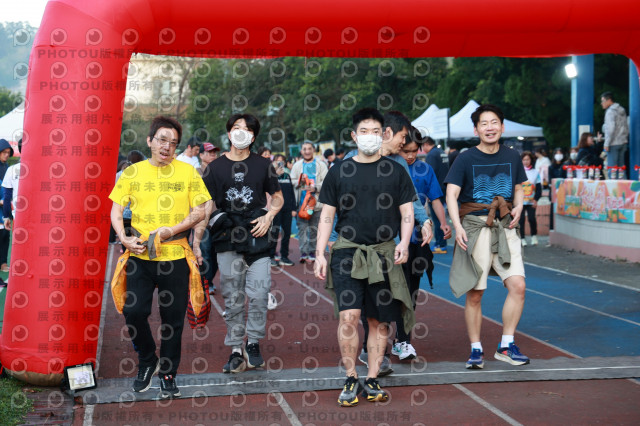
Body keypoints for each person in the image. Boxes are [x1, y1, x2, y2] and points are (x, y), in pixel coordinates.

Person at [314, 107, 416, 406]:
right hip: (347, 252)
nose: (370, 137)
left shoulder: (396, 171)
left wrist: (404, 242)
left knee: (379, 321)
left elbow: (407, 212)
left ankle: (371, 378)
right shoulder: (339, 171)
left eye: (375, 132)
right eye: (364, 131)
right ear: (354, 135)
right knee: (349, 317)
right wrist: (320, 253)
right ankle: (350, 376)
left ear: (384, 134)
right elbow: (327, 215)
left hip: (383, 254)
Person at [109, 116, 212, 398]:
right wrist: (123, 237)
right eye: (162, 140)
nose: (167, 147)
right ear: (150, 141)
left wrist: (172, 231)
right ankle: (147, 359)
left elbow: (200, 210)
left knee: (172, 320)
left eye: (173, 143)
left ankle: (168, 372)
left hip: (174, 257)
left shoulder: (187, 173)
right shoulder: (133, 173)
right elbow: (116, 210)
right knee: (133, 311)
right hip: (140, 255)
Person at [344, 110, 434, 376]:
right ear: (387, 133)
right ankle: (369, 351)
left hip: (388, 244)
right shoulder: (350, 161)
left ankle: (379, 354)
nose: (404, 144)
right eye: (403, 137)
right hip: (355, 245)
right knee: (360, 303)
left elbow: (411, 198)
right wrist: (332, 242)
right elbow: (336, 205)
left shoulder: (399, 164)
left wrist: (424, 220)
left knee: (383, 300)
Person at [445, 104, 530, 370]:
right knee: (476, 293)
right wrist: (457, 226)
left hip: (505, 226)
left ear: (502, 127)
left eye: (494, 123)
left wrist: (519, 206)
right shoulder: (465, 158)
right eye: (484, 123)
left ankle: (506, 345)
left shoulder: (512, 155)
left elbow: (518, 188)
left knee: (518, 286)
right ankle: (476, 349)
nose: (489, 127)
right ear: (476, 129)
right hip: (475, 226)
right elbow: (451, 194)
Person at [201, 113, 283, 374]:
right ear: (228, 133)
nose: (240, 132)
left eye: (246, 129)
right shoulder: (214, 168)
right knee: (233, 296)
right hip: (227, 237)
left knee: (259, 292)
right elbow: (205, 203)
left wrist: (269, 216)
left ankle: (253, 342)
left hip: (258, 234)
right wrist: (201, 233)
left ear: (253, 136)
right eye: (236, 127)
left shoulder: (263, 164)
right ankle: (236, 349)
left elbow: (278, 197)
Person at [396, 130, 451, 359]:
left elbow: (435, 199)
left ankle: (403, 340)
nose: (410, 156)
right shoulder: (389, 167)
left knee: (411, 290)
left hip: (418, 239)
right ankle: (378, 340)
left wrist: (443, 223)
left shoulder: (425, 169)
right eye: (405, 151)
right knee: (392, 291)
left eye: (414, 151)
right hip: (392, 238)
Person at [290, 142, 328, 263]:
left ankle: (312, 251)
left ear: (313, 150)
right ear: (301, 151)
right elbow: (292, 180)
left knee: (314, 230)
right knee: (302, 229)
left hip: (316, 204)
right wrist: (299, 182)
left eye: (309, 149)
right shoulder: (297, 165)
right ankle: (303, 252)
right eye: (304, 149)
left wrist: (315, 188)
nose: (307, 151)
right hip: (301, 205)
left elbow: (326, 182)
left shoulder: (321, 165)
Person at [196, 142, 221, 293]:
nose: (213, 155)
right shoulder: (196, 173)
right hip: (201, 220)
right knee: (204, 252)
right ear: (201, 155)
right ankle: (206, 283)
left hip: (218, 219)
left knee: (217, 253)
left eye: (214, 152)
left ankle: (208, 280)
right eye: (209, 152)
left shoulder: (219, 171)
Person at [422, 135, 450, 254]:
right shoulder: (441, 152)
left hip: (435, 190)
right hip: (444, 187)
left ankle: (440, 243)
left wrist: (427, 191)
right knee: (441, 217)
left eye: (422, 146)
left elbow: (429, 174)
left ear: (426, 144)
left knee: (437, 218)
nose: (422, 149)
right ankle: (441, 242)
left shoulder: (431, 155)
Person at [270, 154, 296, 266]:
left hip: (287, 209)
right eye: (277, 161)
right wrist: (275, 175)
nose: (280, 163)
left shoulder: (287, 176)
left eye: (282, 161)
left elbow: (291, 193)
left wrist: (293, 208)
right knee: (274, 233)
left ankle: (284, 256)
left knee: (287, 233)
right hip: (275, 209)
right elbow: (269, 189)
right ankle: (271, 256)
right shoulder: (271, 176)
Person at [600, 91, 629, 177]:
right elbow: (626, 126)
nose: (602, 103)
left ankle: (613, 186)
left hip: (613, 143)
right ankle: (624, 185)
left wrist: (606, 143)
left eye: (603, 101)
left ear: (609, 100)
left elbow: (610, 129)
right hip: (623, 142)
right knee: (621, 169)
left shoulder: (610, 112)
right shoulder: (622, 110)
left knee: (612, 170)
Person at [519, 151, 542, 247]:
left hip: (531, 201)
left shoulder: (535, 173)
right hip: (520, 201)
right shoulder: (518, 172)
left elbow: (539, 188)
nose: (526, 161)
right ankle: (522, 238)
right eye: (524, 160)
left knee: (532, 219)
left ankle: (534, 236)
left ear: (531, 160)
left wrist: (536, 199)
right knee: (521, 220)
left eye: (527, 159)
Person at [0, 139, 14, 273]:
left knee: (5, 235)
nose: (6, 155)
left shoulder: (7, 168)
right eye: (4, 152)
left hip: (5, 208)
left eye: (8, 153)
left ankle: (3, 263)